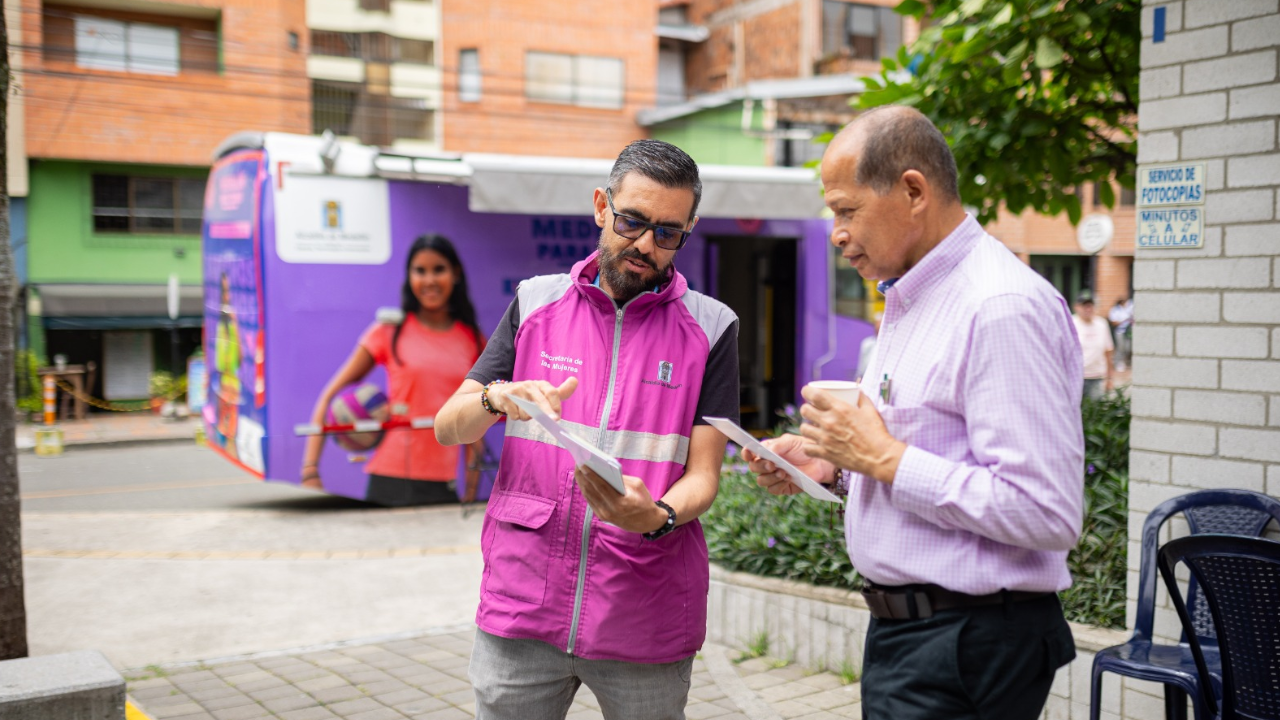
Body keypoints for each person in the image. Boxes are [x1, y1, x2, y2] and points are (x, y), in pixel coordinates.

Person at [743, 106, 1083, 720]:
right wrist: (834, 466)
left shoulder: (999, 307)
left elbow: (1047, 510)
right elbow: (925, 452)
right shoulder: (912, 297)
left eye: (847, 211)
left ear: (913, 191)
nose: (837, 233)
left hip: (967, 643)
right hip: (919, 638)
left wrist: (881, 457)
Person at [434, 139, 739, 720]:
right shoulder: (535, 302)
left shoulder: (713, 326)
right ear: (602, 205)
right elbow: (449, 428)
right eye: (633, 222)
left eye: (668, 233)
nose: (646, 245)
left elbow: (704, 473)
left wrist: (661, 517)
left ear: (688, 230)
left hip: (644, 612)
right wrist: (497, 398)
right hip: (522, 606)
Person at [301, 234, 486, 506]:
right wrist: (310, 470)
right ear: (409, 277)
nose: (430, 280)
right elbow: (331, 394)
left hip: (443, 485)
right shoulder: (389, 331)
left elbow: (472, 414)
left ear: (455, 273)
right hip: (388, 482)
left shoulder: (473, 339)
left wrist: (473, 481)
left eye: (439, 269)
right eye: (420, 271)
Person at [1074, 290, 1114, 400]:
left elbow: (1108, 351)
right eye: (1084, 306)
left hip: (1097, 377)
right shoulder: (1071, 324)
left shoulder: (1102, 324)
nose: (1088, 309)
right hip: (1076, 377)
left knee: (1095, 412)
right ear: (1076, 307)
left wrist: (1109, 378)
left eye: (1090, 305)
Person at [1108, 295, 1133, 371]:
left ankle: (1124, 362)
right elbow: (1113, 321)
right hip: (1120, 331)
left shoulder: (1126, 309)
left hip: (1127, 332)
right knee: (1120, 347)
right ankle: (1117, 362)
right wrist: (1122, 321)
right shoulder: (1115, 310)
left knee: (1128, 347)